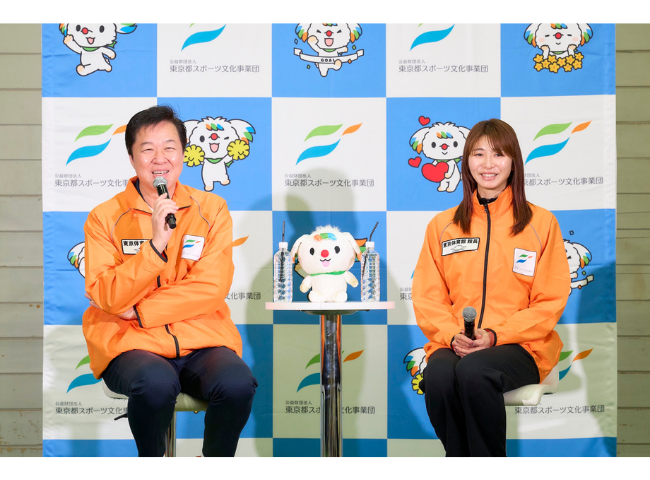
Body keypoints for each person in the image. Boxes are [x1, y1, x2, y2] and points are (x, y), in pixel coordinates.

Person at [81, 105, 257, 457]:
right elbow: (106, 294)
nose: (159, 159)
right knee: (155, 383)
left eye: (169, 148)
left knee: (237, 383)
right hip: (130, 344)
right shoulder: (104, 217)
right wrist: (155, 247)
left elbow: (210, 287)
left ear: (183, 153)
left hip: (201, 339)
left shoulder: (211, 209)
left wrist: (140, 311)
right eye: (147, 149)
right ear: (132, 157)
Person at [412, 118, 570, 457]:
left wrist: (496, 336)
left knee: (474, 371)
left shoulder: (541, 222)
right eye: (479, 154)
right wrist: (453, 335)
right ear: (467, 161)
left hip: (521, 345)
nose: (488, 164)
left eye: (498, 154)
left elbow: (549, 301)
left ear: (513, 162)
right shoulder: (442, 225)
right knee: (438, 377)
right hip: (456, 341)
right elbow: (427, 296)